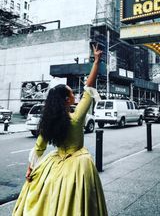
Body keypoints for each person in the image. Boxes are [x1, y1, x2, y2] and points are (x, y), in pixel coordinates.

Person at [13, 44, 108, 216]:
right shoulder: (76, 117)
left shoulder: (49, 120)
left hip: (54, 163)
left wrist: (30, 168)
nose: (75, 96)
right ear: (66, 100)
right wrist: (96, 61)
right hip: (78, 163)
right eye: (72, 94)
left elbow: (39, 147)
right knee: (76, 200)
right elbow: (89, 88)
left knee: (49, 196)